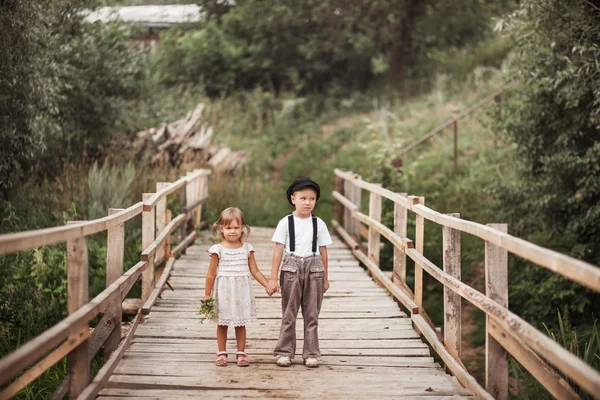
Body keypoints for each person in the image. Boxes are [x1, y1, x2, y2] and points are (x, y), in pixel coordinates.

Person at [269, 177, 332, 368]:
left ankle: (311, 353)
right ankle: (285, 352)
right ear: (293, 199)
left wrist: (326, 278)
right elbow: (278, 250)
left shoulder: (318, 223)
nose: (307, 202)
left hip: (314, 268)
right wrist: (273, 277)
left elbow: (323, 252)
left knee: (312, 313)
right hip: (291, 267)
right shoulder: (285, 222)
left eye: (312, 199)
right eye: (303, 198)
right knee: (289, 312)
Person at [203, 207, 276, 367]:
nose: (233, 231)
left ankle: (241, 353)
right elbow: (211, 274)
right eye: (229, 228)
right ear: (221, 228)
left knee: (240, 323)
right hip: (223, 292)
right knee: (222, 323)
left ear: (243, 227)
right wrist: (207, 294)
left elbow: (255, 271)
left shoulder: (247, 249)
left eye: (236, 227)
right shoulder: (218, 250)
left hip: (241, 292)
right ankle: (221, 353)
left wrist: (267, 284)